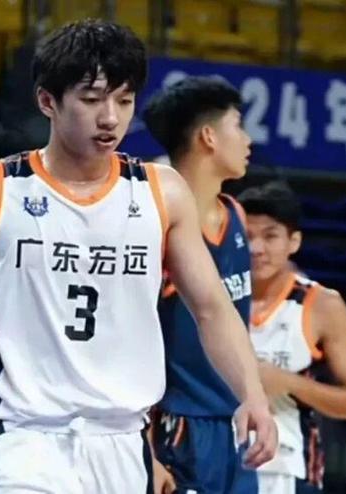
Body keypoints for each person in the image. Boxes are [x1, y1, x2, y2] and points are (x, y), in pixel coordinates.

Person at [0, 20, 277, 494]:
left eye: (124, 101)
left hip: (122, 440)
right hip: (22, 438)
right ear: (47, 101)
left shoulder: (162, 192)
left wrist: (251, 394)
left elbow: (211, 308)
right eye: (91, 100)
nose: (110, 118)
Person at [143, 75, 257, 494]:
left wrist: (255, 398)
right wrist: (144, 447)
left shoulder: (236, 214)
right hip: (177, 425)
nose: (247, 140)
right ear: (209, 136)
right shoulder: (154, 225)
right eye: (238, 126)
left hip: (235, 421)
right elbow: (129, 340)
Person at [239, 182, 346, 494]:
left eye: (270, 236)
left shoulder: (322, 305)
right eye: (247, 236)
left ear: (294, 241)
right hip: (216, 463)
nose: (256, 248)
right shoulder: (213, 296)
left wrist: (288, 382)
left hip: (289, 468)